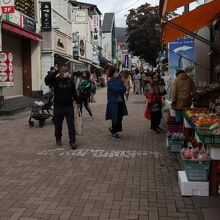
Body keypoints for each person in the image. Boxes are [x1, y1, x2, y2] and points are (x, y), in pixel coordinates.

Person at [45, 65, 80, 149]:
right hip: (58, 107)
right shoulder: (55, 80)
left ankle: (72, 142)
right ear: (60, 72)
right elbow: (47, 80)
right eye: (65, 71)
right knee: (58, 125)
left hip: (68, 107)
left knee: (71, 125)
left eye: (67, 71)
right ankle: (58, 139)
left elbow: (74, 93)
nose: (67, 73)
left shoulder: (70, 81)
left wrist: (78, 102)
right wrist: (56, 71)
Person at [106, 67, 128, 140]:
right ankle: (114, 133)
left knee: (119, 117)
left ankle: (113, 129)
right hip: (113, 102)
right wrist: (120, 89)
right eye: (115, 72)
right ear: (112, 73)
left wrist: (120, 89)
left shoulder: (120, 80)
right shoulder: (109, 82)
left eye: (117, 72)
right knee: (114, 118)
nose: (117, 73)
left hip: (120, 102)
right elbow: (113, 90)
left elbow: (124, 88)